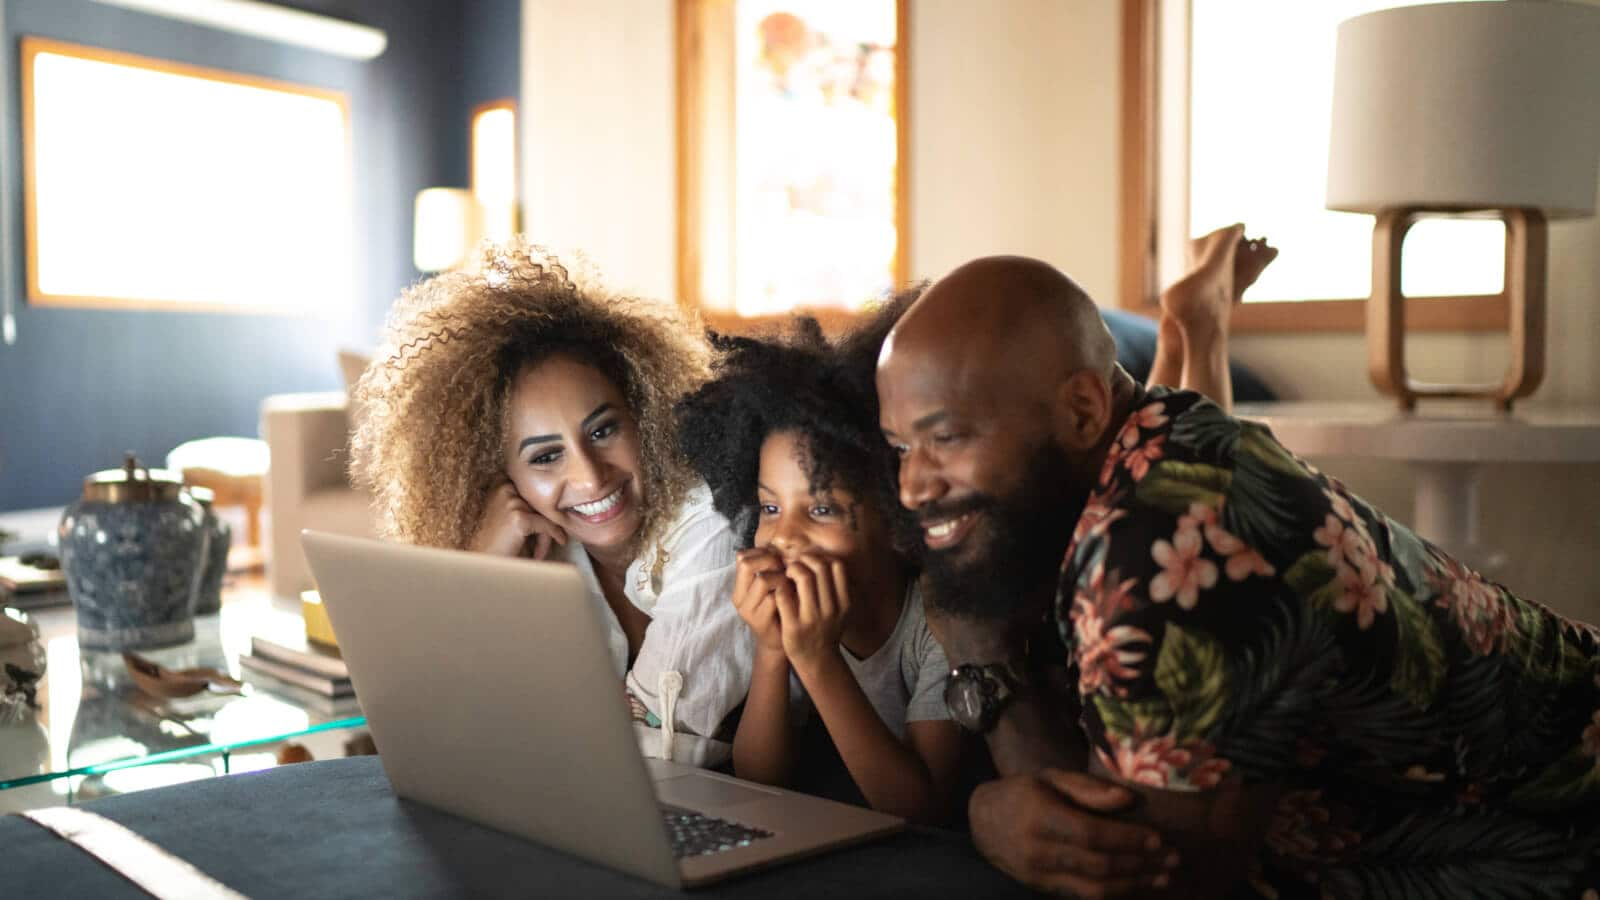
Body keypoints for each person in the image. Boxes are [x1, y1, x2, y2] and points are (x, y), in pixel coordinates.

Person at [873, 251, 1600, 897]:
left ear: (1084, 407)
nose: (912, 487)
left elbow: (1144, 872)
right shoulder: (1164, 434)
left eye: (945, 438)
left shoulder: (1171, 551)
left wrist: (988, 790)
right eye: (901, 446)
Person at [349, 242, 752, 766]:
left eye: (604, 430)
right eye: (545, 457)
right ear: (499, 475)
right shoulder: (539, 548)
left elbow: (661, 760)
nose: (588, 475)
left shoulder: (710, 522)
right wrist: (477, 568)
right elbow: (423, 729)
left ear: (644, 416)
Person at [674, 321, 966, 824]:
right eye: (769, 508)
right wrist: (771, 650)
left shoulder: (940, 620)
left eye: (823, 510)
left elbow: (924, 809)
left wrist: (815, 658)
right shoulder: (798, 615)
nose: (783, 536)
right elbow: (760, 783)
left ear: (898, 519)